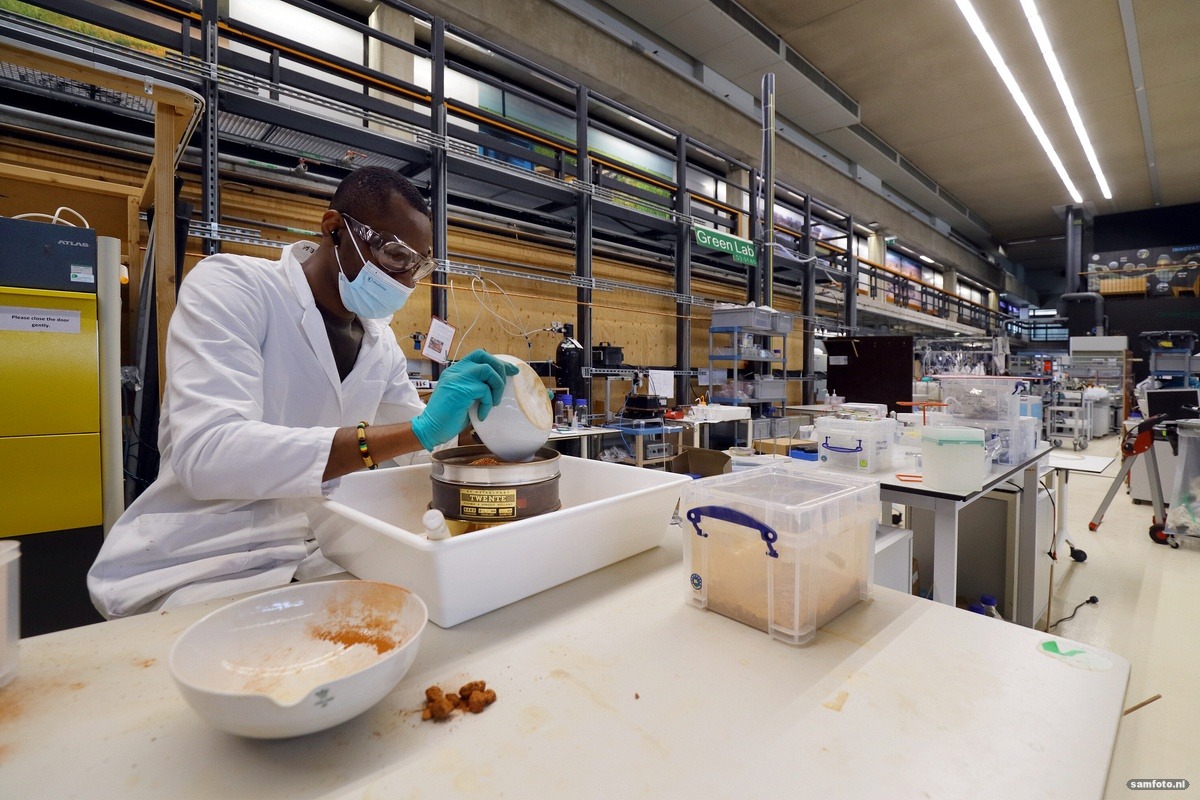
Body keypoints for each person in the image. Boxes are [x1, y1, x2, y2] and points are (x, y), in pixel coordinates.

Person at [88, 167, 516, 618]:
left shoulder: (381, 342)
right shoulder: (234, 287)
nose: (407, 281)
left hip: (319, 555)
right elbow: (208, 451)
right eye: (395, 255)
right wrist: (416, 430)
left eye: (418, 266)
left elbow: (417, 451)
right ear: (334, 228)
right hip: (200, 562)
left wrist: (491, 419)